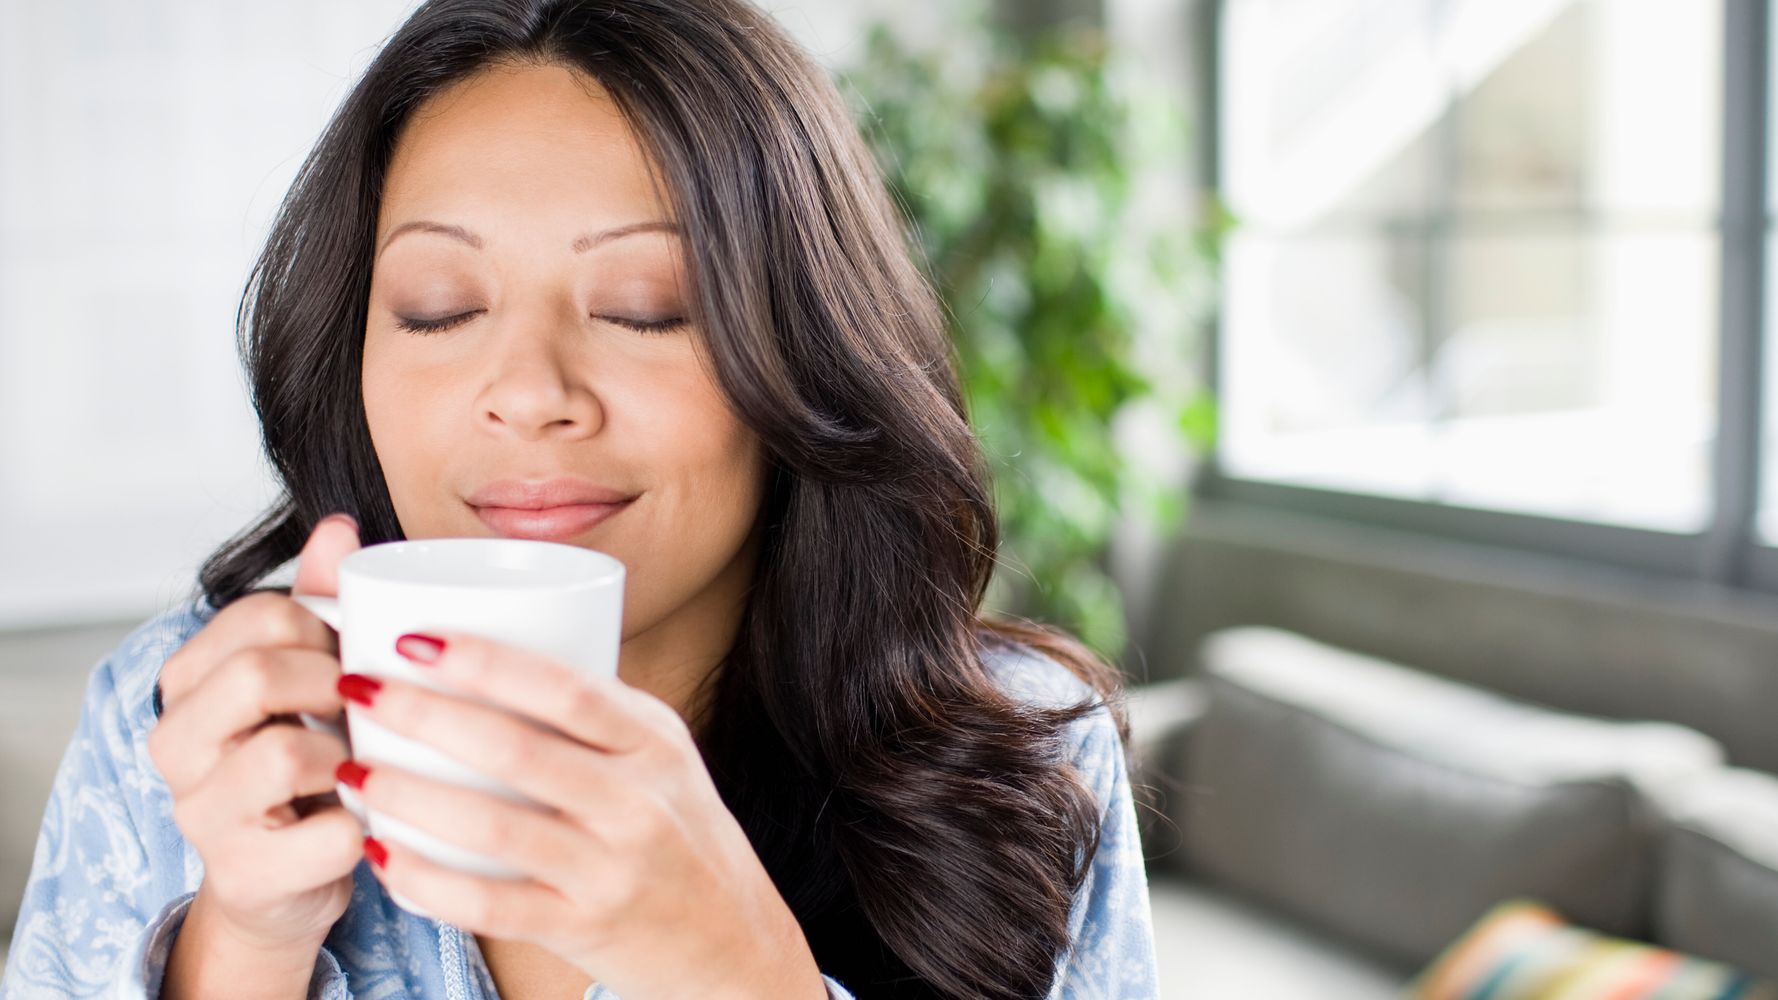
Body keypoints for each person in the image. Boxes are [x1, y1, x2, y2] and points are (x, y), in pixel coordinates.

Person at [0, 1, 1159, 998]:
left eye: (645, 307)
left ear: (801, 356)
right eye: (441, 308)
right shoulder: (186, 720)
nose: (530, 395)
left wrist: (739, 971)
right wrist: (242, 942)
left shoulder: (1019, 760)